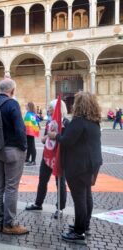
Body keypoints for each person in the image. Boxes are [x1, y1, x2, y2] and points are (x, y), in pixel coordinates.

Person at [48, 91, 103, 244]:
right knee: (86, 196)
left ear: (79, 104)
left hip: (78, 165)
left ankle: (79, 232)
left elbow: (67, 141)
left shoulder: (78, 121)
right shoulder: (94, 121)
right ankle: (84, 225)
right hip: (92, 164)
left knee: (80, 199)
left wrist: (55, 136)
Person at [0, 77, 29, 235]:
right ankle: (9, 224)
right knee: (11, 187)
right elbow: (20, 129)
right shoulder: (12, 104)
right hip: (13, 150)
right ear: (12, 91)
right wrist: (24, 147)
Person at [25, 99, 69, 219]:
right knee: (42, 180)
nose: (48, 110)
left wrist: (56, 137)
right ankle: (38, 203)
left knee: (60, 183)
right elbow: (47, 138)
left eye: (50, 107)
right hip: (47, 156)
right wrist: (45, 138)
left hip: (59, 157)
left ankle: (60, 208)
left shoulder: (66, 122)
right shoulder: (50, 122)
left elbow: (67, 141)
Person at [24, 102, 40, 166]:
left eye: (26, 105)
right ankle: (27, 158)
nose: (25, 106)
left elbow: (34, 122)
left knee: (32, 146)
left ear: (29, 107)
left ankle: (33, 160)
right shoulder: (32, 114)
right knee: (29, 146)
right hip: (30, 132)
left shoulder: (30, 114)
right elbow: (37, 120)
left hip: (30, 132)